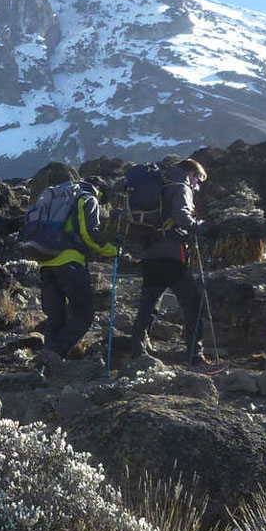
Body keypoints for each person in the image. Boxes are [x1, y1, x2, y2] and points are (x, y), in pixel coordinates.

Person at [128, 158, 209, 367]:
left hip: (149, 254)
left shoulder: (159, 184)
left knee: (148, 304)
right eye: (198, 180)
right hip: (172, 254)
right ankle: (195, 356)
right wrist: (199, 227)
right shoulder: (181, 186)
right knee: (193, 302)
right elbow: (181, 217)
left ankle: (137, 352)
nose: (198, 186)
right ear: (190, 173)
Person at [35, 181, 117, 371]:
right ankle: (54, 353)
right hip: (70, 261)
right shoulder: (86, 199)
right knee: (84, 313)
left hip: (46, 262)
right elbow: (88, 234)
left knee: (55, 318)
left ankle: (45, 368)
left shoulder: (55, 200)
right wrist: (113, 250)